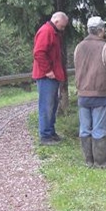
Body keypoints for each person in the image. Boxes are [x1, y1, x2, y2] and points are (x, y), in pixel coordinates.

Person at [74, 16, 106, 167]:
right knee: (100, 129)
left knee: (85, 129)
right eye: (104, 28)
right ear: (101, 30)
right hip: (100, 94)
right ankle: (101, 162)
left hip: (82, 94)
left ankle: (89, 160)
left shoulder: (79, 47)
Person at [32, 11, 69, 145]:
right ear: (57, 21)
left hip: (53, 75)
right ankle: (45, 136)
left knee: (52, 106)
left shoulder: (53, 32)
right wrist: (48, 70)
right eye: (63, 26)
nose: (63, 29)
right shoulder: (46, 31)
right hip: (46, 76)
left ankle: (51, 132)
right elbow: (39, 52)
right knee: (46, 106)